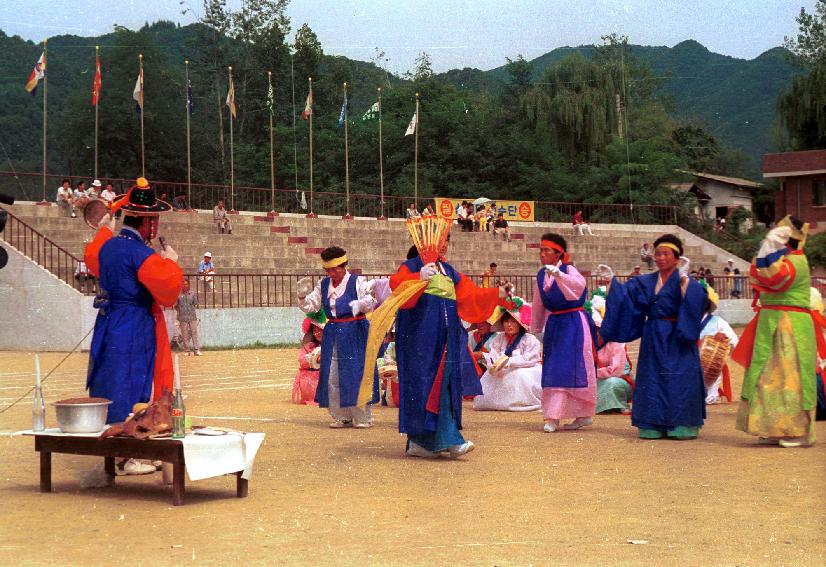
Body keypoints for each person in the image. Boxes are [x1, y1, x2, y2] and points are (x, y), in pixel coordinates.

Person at [84, 178, 182, 472]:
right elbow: (168, 290)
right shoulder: (142, 254)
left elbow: (92, 256)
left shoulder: (108, 246)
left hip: (110, 319)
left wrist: (104, 228)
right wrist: (171, 263)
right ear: (148, 222)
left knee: (111, 379)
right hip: (134, 322)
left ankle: (111, 452)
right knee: (133, 380)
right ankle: (128, 454)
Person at [390, 237, 506, 458]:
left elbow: (470, 295)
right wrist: (417, 278)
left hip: (446, 337)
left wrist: (496, 294)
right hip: (419, 338)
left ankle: (443, 439)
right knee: (423, 384)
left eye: (446, 241)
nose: (444, 245)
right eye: (440, 240)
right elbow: (396, 286)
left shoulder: (448, 270)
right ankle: (424, 441)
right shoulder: (412, 265)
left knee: (444, 383)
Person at [599, 233, 708, 440]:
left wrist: (685, 281)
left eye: (666, 254)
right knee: (653, 376)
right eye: (657, 254)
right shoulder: (646, 281)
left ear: (677, 258)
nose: (660, 258)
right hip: (654, 334)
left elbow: (699, 301)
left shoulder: (685, 280)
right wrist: (611, 282)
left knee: (679, 377)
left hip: (679, 335)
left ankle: (682, 424)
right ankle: (651, 423)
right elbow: (625, 298)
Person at [732, 217, 823, 447]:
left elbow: (773, 278)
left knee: (790, 378)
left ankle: (796, 431)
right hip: (774, 321)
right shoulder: (782, 258)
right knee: (768, 376)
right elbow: (757, 272)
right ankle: (773, 427)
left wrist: (767, 248)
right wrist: (767, 249)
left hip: (790, 325)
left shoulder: (796, 261)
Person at [296, 247, 378, 428]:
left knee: (356, 373)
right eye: (328, 270)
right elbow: (312, 306)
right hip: (333, 331)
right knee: (332, 374)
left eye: (335, 269)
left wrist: (364, 303)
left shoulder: (358, 282)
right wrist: (302, 297)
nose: (331, 273)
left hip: (355, 330)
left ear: (344, 265)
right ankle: (341, 415)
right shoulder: (323, 285)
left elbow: (371, 301)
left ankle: (363, 417)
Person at [530, 233, 596, 432]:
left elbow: (579, 288)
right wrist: (535, 328)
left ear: (558, 254)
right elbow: (538, 303)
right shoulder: (542, 275)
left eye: (546, 250)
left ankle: (573, 415)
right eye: (540, 250)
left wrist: (560, 276)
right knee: (554, 368)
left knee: (573, 368)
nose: (542, 254)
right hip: (555, 323)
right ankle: (554, 415)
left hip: (574, 322)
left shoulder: (569, 269)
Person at [473, 302, 542, 412]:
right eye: (506, 321)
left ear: (520, 323)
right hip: (503, 368)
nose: (509, 325)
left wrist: (508, 362)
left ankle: (522, 403)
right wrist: (494, 364)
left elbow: (530, 359)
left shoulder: (529, 339)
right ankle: (497, 403)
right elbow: (493, 355)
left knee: (520, 375)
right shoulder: (499, 338)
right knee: (489, 376)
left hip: (527, 369)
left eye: (513, 321)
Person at [590, 292, 634, 415]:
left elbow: (617, 371)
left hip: (619, 378)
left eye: (598, 330)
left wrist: (594, 373)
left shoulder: (615, 344)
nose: (596, 333)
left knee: (612, 383)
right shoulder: (589, 345)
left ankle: (620, 404)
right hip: (598, 378)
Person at [698, 286, 738, 404]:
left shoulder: (718, 321)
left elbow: (734, 340)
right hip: (689, 362)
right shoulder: (684, 320)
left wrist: (724, 338)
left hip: (710, 366)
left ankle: (712, 394)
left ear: (707, 303)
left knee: (716, 364)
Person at [292, 311, 326, 406]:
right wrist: (309, 360)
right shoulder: (310, 346)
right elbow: (301, 360)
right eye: (315, 330)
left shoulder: (332, 346)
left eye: (320, 330)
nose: (317, 333)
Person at [175, 278, 201, 356]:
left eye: (186, 284)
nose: (185, 285)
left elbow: (195, 303)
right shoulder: (178, 294)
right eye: (183, 284)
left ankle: (196, 350)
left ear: (189, 285)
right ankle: (187, 350)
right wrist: (180, 312)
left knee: (194, 332)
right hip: (182, 317)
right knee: (184, 333)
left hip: (192, 316)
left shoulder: (192, 293)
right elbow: (176, 306)